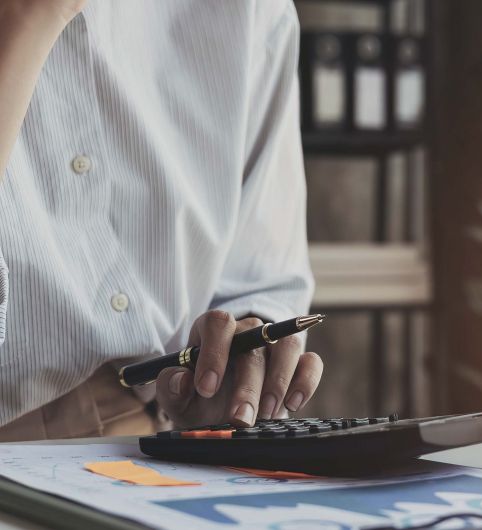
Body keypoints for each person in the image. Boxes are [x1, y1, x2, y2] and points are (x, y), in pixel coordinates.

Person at [0, 0, 323, 440]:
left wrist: (234, 359)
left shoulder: (250, 11)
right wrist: (27, 22)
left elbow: (260, 276)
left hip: (138, 441)